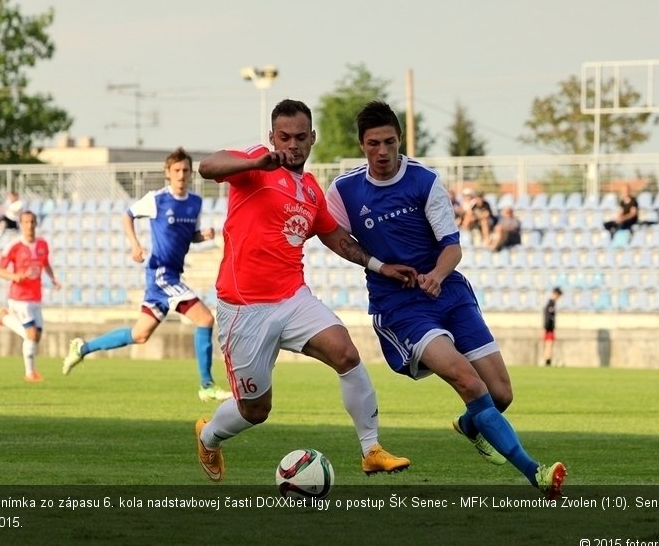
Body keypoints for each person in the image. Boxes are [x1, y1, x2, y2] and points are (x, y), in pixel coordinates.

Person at [325, 101, 566, 498]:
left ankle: (472, 426)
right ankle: (536, 473)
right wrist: (377, 264)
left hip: (448, 293)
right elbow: (332, 235)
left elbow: (452, 247)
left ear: (399, 140)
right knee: (468, 381)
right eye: (373, 144)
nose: (382, 152)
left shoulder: (424, 180)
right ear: (362, 144)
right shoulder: (345, 190)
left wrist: (436, 274)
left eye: (389, 142)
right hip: (400, 306)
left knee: (501, 395)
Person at [194, 98, 412, 482]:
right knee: (256, 410)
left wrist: (381, 266)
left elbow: (339, 239)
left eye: (299, 137)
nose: (291, 145)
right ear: (272, 137)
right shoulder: (255, 163)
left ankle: (371, 450)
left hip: (293, 298)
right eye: (283, 137)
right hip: (244, 308)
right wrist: (255, 163)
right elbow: (207, 166)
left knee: (345, 352)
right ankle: (209, 436)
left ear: (312, 138)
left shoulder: (311, 190)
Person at [61, 147, 231, 402]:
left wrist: (201, 236)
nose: (182, 175)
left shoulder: (195, 202)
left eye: (186, 170)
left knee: (139, 334)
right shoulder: (157, 199)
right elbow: (127, 216)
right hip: (161, 274)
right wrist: (134, 245)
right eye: (176, 170)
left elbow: (188, 236)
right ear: (167, 173)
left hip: (171, 275)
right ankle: (206, 385)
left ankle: (82, 348)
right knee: (205, 319)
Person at [0, 211, 61, 382]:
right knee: (31, 334)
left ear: (36, 223)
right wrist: (14, 277)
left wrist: (53, 278)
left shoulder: (43, 244)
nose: (29, 225)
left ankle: (5, 318)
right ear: (21, 224)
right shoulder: (14, 246)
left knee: (36, 336)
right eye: (26, 222)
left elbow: (45, 264)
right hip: (19, 298)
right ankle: (30, 374)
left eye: (32, 222)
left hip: (36, 297)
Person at [540, 287, 563, 367]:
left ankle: (547, 359)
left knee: (549, 344)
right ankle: (547, 360)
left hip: (549, 328)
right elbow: (548, 317)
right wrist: (547, 327)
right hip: (549, 328)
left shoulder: (551, 304)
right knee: (549, 344)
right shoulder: (550, 304)